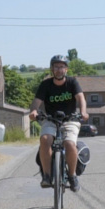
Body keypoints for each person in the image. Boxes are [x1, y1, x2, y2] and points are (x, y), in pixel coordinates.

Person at [28, 54, 89, 192]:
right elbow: (36, 102)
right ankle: (47, 176)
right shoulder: (45, 85)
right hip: (50, 119)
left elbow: (81, 98)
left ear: (66, 69)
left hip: (70, 119)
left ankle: (72, 176)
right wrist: (34, 112)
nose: (59, 70)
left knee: (69, 144)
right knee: (45, 139)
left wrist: (83, 112)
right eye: (56, 67)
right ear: (52, 69)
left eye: (62, 67)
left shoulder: (72, 82)